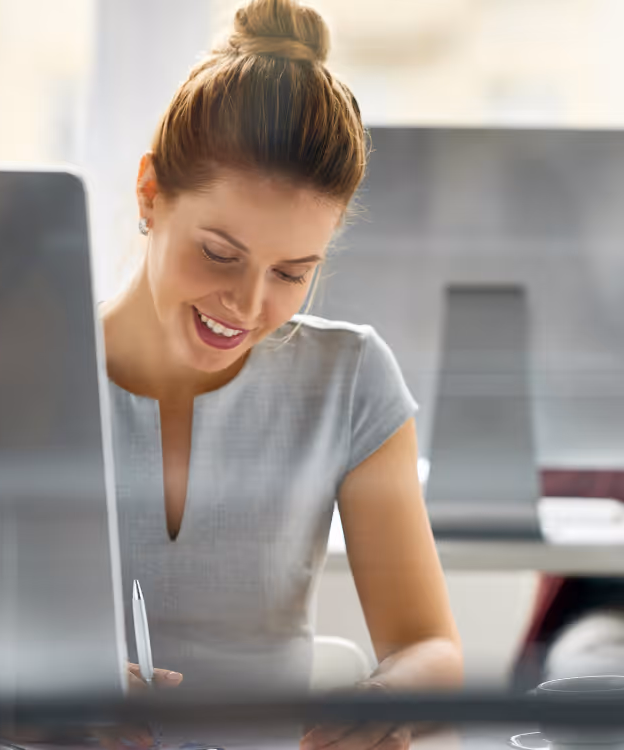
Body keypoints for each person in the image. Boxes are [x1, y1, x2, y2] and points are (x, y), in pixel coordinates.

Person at [100, 1, 463, 747]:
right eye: (221, 254)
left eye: (293, 273)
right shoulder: (34, 367)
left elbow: (431, 649)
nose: (248, 305)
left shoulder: (348, 378)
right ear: (149, 193)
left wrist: (381, 700)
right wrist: (38, 688)